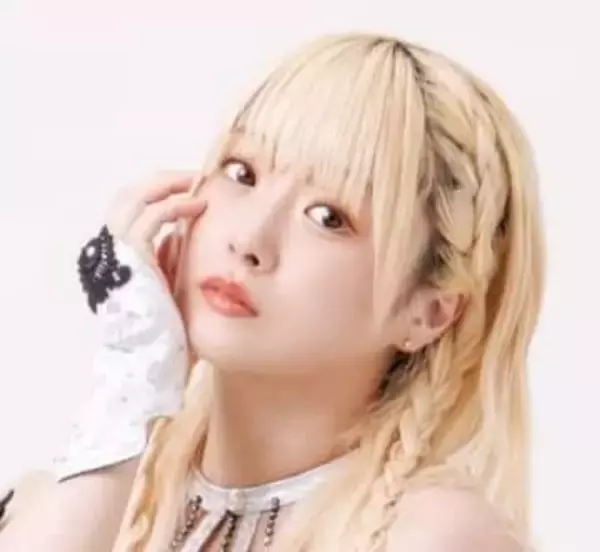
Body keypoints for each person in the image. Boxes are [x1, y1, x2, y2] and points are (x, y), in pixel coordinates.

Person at [0, 32, 545, 552]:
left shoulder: (437, 536)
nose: (250, 239)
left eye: (328, 217)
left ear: (428, 312)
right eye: (242, 173)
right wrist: (132, 383)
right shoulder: (57, 503)